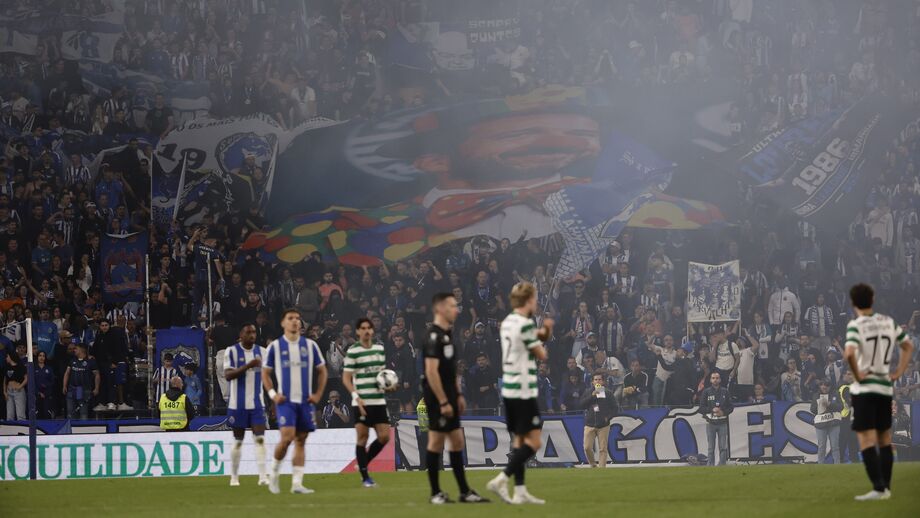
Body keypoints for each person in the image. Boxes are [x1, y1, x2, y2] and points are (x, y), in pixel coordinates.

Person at [843, 283, 914, 501]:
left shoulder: (856, 325)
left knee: (865, 438)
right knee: (884, 437)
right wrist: (899, 371)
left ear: (855, 303)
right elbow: (908, 346)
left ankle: (878, 487)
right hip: (884, 386)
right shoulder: (888, 322)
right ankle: (886, 487)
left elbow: (849, 354)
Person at [487, 281, 553, 504]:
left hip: (513, 386)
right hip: (521, 387)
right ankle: (501, 479)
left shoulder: (508, 323)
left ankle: (521, 490)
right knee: (533, 440)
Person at [422, 292, 488, 504]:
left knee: (457, 440)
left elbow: (449, 372)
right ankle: (435, 493)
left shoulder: (447, 335)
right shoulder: (433, 336)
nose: (457, 310)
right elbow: (431, 372)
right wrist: (443, 401)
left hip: (449, 395)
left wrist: (457, 394)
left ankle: (464, 492)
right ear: (440, 309)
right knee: (436, 441)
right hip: (437, 397)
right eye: (452, 306)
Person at [262, 309, 328, 495]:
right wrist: (273, 395)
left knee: (301, 440)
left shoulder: (310, 345)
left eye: (298, 318)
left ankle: (297, 484)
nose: (295, 321)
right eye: (290, 318)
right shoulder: (275, 346)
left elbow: (323, 371)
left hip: (305, 401)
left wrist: (318, 395)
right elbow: (265, 374)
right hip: (286, 401)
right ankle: (274, 473)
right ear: (283, 323)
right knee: (287, 438)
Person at [342, 317, 392, 488]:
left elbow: (382, 374)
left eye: (368, 328)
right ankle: (365, 478)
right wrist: (356, 397)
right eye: (362, 328)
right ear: (357, 332)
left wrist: (389, 385)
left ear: (372, 331)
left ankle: (363, 463)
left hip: (378, 400)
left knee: (384, 437)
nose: (365, 331)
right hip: (361, 402)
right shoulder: (353, 351)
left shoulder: (379, 349)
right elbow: (346, 378)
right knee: (362, 438)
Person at [223, 323, 269, 487]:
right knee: (238, 441)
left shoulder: (262, 352)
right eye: (248, 332)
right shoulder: (232, 351)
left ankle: (263, 476)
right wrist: (249, 365)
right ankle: (234, 477)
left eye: (254, 332)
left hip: (257, 404)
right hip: (238, 405)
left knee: (260, 439)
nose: (252, 335)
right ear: (241, 335)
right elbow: (228, 375)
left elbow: (269, 377)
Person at [580, 373, 618, 468]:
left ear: (603, 381)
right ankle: (593, 465)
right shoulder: (588, 392)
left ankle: (601, 468)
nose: (598, 381)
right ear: (592, 382)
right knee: (587, 447)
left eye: (599, 379)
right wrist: (592, 396)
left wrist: (608, 417)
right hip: (590, 424)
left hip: (603, 425)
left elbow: (615, 408)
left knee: (603, 449)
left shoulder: (608, 393)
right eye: (596, 380)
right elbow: (581, 405)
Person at [699, 371, 733, 466]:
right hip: (711, 423)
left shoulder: (725, 391)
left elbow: (731, 407)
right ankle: (711, 466)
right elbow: (701, 408)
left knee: (723, 447)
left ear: (720, 380)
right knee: (711, 447)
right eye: (713, 378)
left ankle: (722, 465)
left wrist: (723, 412)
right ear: (710, 380)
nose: (715, 380)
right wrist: (711, 410)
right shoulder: (706, 392)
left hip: (722, 422)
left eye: (717, 378)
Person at [61, 342, 99, 419]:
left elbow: (97, 375)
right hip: (72, 389)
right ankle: (70, 429)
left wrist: (96, 388)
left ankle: (83, 428)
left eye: (76, 348)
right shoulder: (72, 360)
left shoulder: (90, 361)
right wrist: (64, 386)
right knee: (70, 412)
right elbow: (67, 373)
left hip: (84, 389)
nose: (74, 350)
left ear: (82, 350)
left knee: (83, 412)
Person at [811, 379, 843, 464]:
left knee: (835, 446)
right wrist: (819, 405)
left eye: (826, 385)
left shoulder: (835, 394)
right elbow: (812, 409)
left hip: (834, 423)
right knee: (821, 446)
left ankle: (837, 466)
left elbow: (841, 407)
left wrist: (830, 404)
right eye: (822, 385)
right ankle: (821, 466)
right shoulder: (816, 395)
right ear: (820, 386)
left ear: (830, 386)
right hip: (821, 424)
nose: (824, 387)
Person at [3, 349, 27, 420]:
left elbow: (26, 378)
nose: (6, 358)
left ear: (11, 357)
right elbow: (5, 380)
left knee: (20, 415)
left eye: (7, 356)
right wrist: (4, 392)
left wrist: (20, 386)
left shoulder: (20, 366)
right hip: (9, 391)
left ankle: (22, 430)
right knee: (9, 415)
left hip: (18, 391)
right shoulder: (6, 367)